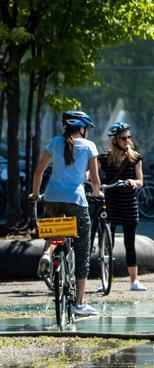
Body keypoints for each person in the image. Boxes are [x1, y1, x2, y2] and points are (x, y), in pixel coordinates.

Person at [27, 110, 102, 317]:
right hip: (76, 201)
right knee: (82, 251)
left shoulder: (54, 143)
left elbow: (39, 172)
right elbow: (95, 180)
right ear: (82, 128)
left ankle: (46, 254)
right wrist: (97, 193)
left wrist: (36, 194)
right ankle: (80, 303)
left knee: (55, 231)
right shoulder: (89, 146)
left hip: (52, 198)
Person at [98, 122, 146, 291]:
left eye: (128, 137)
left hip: (128, 205)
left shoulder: (135, 158)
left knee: (129, 243)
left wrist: (133, 181)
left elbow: (141, 182)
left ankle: (134, 281)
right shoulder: (104, 158)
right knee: (106, 244)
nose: (127, 140)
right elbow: (91, 174)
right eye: (123, 138)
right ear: (115, 140)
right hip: (110, 204)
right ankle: (104, 280)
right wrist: (85, 177)